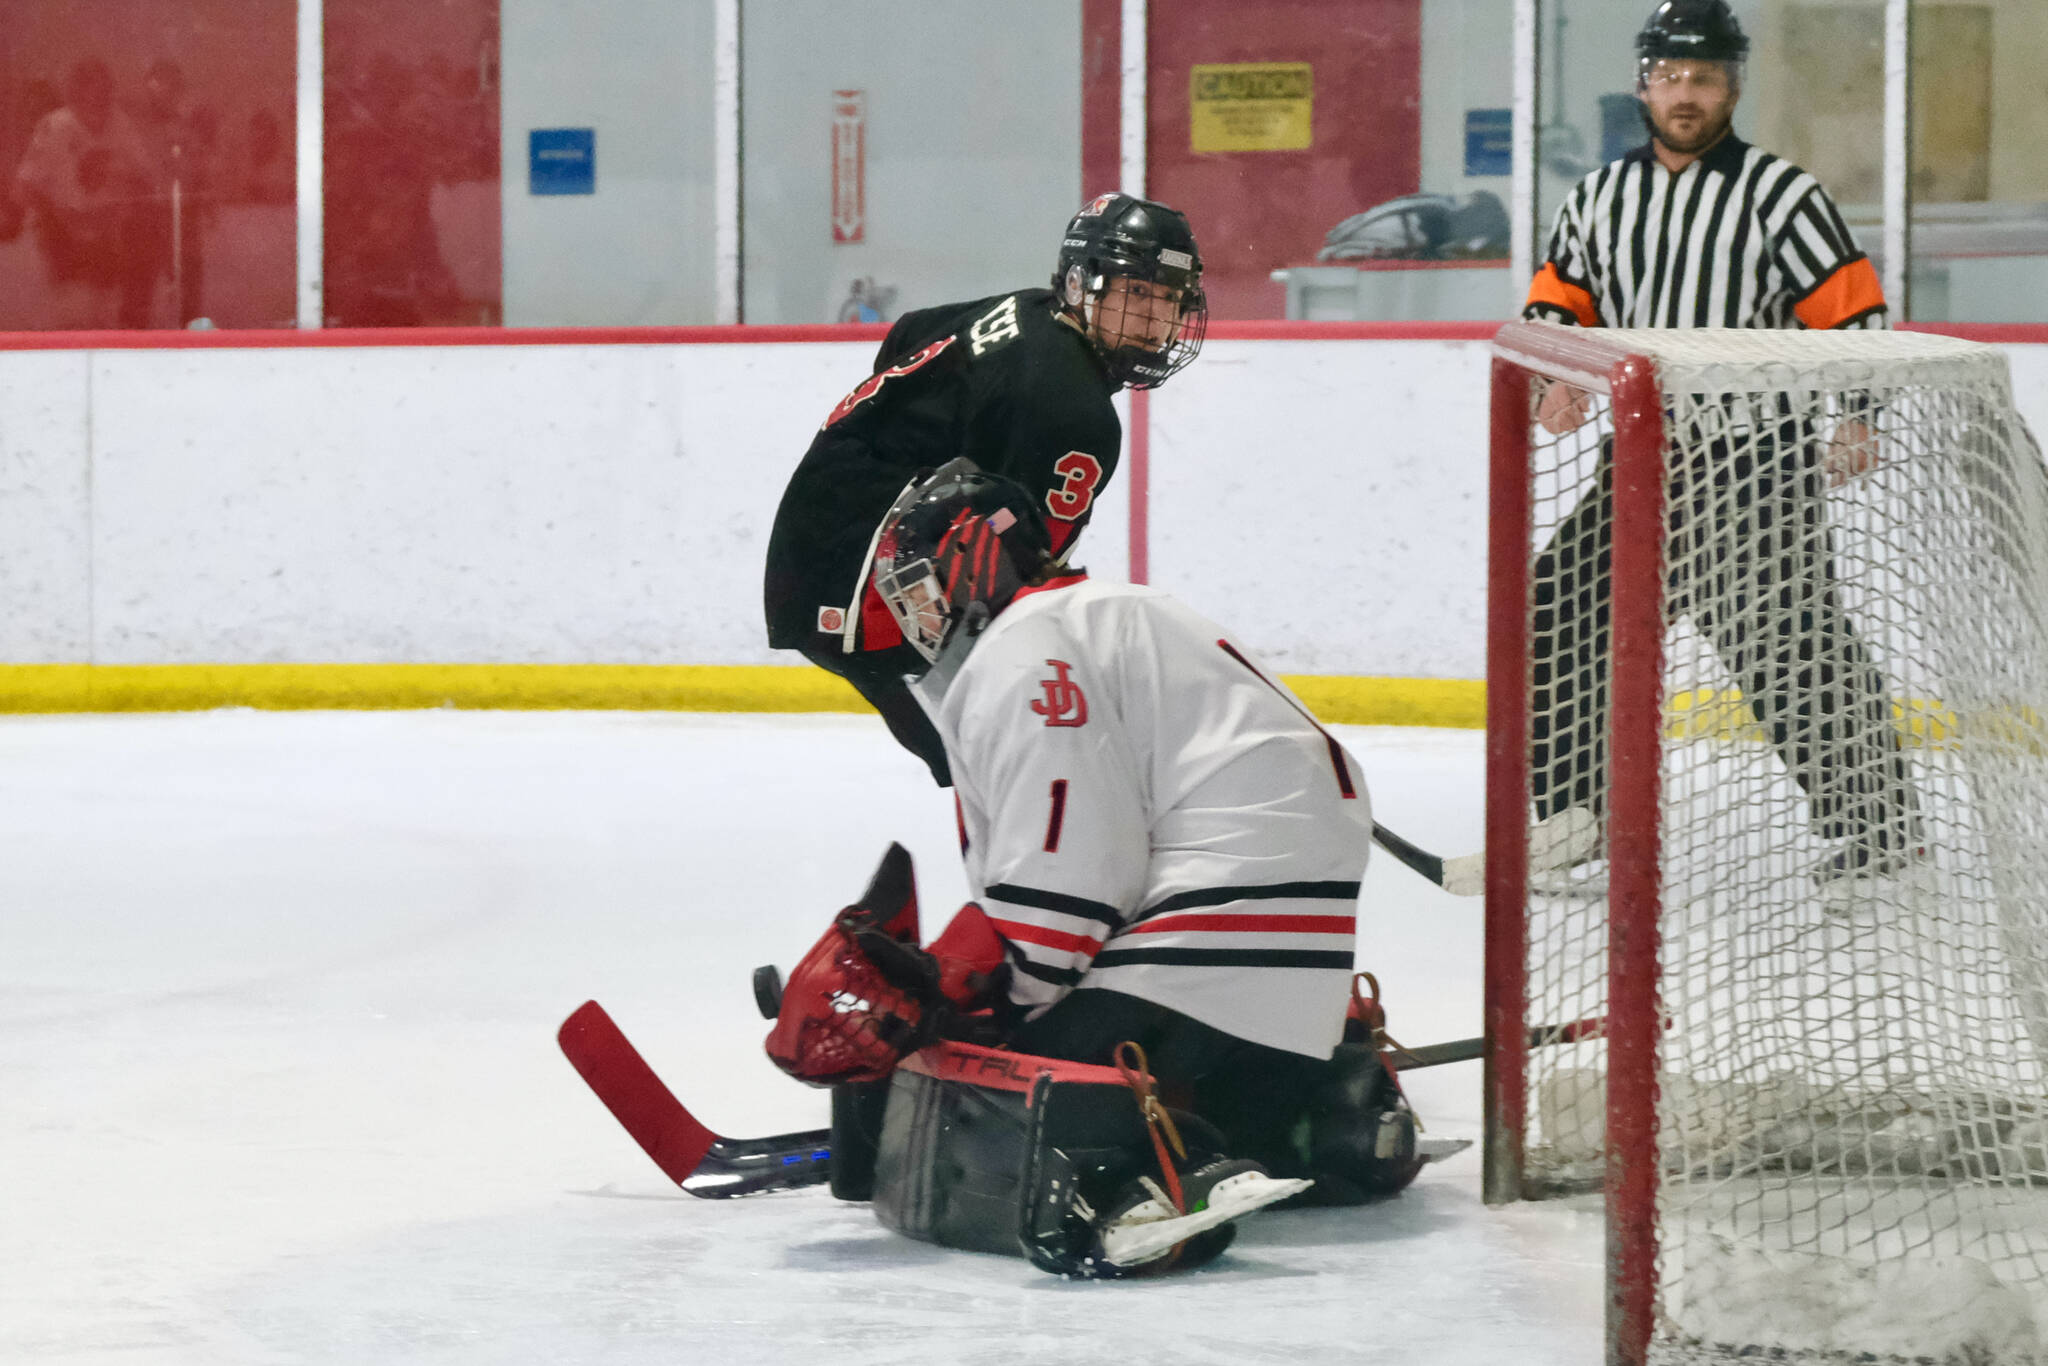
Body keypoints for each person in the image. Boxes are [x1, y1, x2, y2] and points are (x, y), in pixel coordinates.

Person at [763, 461, 1426, 1276]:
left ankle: (1141, 1183)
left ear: (975, 558)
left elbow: (1079, 868)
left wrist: (999, 1005)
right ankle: (1331, 1113)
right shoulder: (1094, 613)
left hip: (1208, 938)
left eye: (921, 578)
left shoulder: (1022, 649)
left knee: (1001, 1076)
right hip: (1287, 973)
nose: (912, 604)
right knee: (1043, 1037)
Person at [1520, 0, 1921, 891]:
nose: (1685, 94)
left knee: (1785, 640)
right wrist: (1558, 371)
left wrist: (1857, 412)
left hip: (1755, 468)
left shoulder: (1784, 195)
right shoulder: (1599, 196)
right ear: (1643, 86)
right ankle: (1580, 819)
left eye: (1703, 77)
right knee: (1560, 604)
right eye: (1670, 77)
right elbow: (1558, 300)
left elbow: (1855, 315)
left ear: (1732, 85)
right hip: (1637, 467)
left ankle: (1881, 825)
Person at [762, 193, 1206, 786]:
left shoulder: (1026, 309)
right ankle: (1021, 877)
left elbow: (908, 335)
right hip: (858, 581)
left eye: (1169, 300)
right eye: (1137, 293)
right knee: (1029, 759)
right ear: (1079, 284)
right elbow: (1024, 592)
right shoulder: (1075, 410)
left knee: (1010, 756)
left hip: (818, 552)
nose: (1155, 322)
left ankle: (1018, 866)